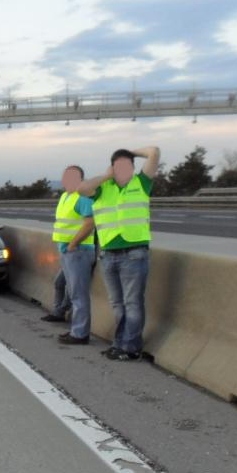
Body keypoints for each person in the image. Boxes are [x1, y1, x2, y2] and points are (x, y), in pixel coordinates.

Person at [78, 145, 160, 360]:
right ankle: (120, 343)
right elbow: (82, 189)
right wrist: (106, 176)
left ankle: (131, 348)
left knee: (132, 303)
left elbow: (154, 151)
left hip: (134, 253)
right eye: (118, 166)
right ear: (111, 168)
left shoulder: (141, 183)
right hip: (108, 254)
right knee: (117, 304)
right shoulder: (103, 188)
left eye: (127, 166)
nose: (123, 170)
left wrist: (129, 152)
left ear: (133, 167)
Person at [48, 165, 96, 345]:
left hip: (79, 251)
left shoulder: (82, 197)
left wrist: (73, 244)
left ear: (80, 179)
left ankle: (80, 334)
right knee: (72, 292)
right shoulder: (64, 196)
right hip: (67, 252)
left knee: (78, 294)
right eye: (65, 176)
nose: (66, 180)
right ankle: (76, 329)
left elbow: (90, 223)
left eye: (71, 177)